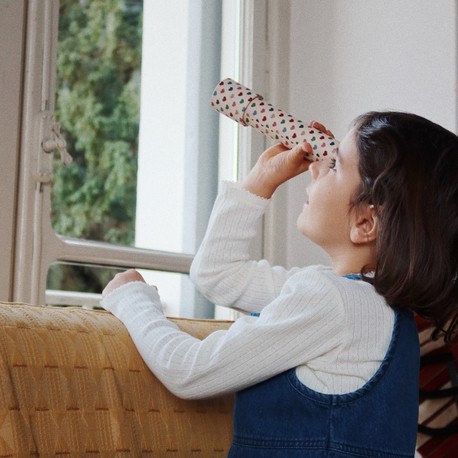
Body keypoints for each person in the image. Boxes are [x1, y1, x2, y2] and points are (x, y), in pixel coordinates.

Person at [101, 111, 458, 457]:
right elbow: (217, 275)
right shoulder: (376, 307)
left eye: (334, 165)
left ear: (366, 222)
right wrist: (261, 180)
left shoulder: (330, 300)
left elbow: (190, 372)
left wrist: (133, 299)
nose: (316, 166)